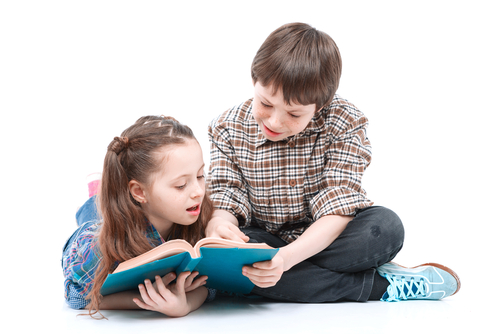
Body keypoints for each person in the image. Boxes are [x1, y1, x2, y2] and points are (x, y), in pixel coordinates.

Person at [207, 22, 460, 302]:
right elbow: (226, 196)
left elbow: (338, 205)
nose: (275, 121)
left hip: (329, 238)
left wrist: (287, 260)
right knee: (242, 252)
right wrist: (219, 225)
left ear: (321, 106)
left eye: (294, 114)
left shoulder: (345, 120)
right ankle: (381, 285)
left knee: (385, 228)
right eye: (265, 104)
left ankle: (274, 283)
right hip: (265, 239)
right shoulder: (226, 127)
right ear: (254, 82)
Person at [62, 115, 216, 318]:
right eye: (181, 185)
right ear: (139, 192)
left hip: (137, 210)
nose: (198, 191)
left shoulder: (196, 211)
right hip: (93, 234)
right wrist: (148, 301)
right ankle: (95, 196)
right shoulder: (97, 251)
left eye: (200, 176)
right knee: (94, 214)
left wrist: (185, 304)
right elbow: (77, 297)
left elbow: (213, 285)